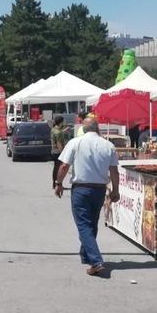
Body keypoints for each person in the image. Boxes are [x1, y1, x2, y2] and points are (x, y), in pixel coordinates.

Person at [54, 116, 120, 277]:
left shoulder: (75, 142)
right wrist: (115, 190)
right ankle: (86, 255)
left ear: (83, 129)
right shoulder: (108, 145)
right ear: (98, 128)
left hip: (81, 189)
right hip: (99, 190)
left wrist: (58, 183)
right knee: (91, 224)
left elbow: (64, 166)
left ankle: (95, 261)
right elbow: (114, 171)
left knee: (83, 225)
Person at [50, 116, 69, 188]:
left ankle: (54, 183)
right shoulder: (58, 132)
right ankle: (58, 184)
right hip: (58, 152)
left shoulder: (53, 129)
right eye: (63, 121)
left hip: (53, 151)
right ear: (61, 122)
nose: (64, 123)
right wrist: (63, 153)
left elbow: (58, 133)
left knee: (56, 168)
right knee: (59, 169)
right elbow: (59, 143)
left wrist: (63, 131)